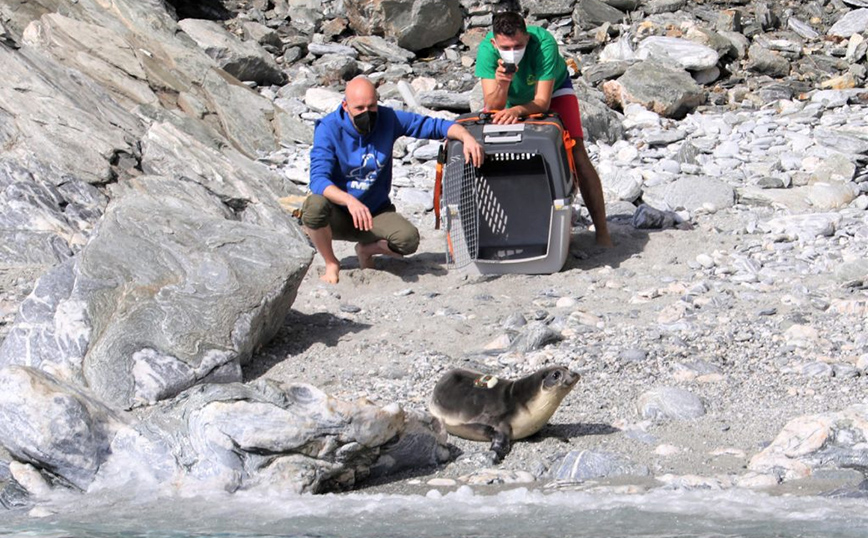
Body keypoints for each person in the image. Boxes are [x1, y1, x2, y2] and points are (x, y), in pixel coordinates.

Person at [304, 76, 484, 284]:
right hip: (339, 213)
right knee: (314, 206)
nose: (367, 113)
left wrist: (466, 137)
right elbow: (318, 179)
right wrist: (350, 201)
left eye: (371, 106)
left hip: (374, 213)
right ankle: (331, 262)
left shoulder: (388, 119)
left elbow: (435, 126)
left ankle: (366, 250)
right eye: (359, 108)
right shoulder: (328, 128)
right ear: (345, 106)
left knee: (408, 241)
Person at [475, 10, 613, 247]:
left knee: (577, 153)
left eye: (517, 45)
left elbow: (542, 103)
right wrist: (504, 81)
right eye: (505, 48)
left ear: (527, 38)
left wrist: (518, 111)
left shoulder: (544, 43)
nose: (512, 52)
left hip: (554, 91)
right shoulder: (486, 52)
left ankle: (602, 232)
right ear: (494, 43)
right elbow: (494, 105)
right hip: (509, 94)